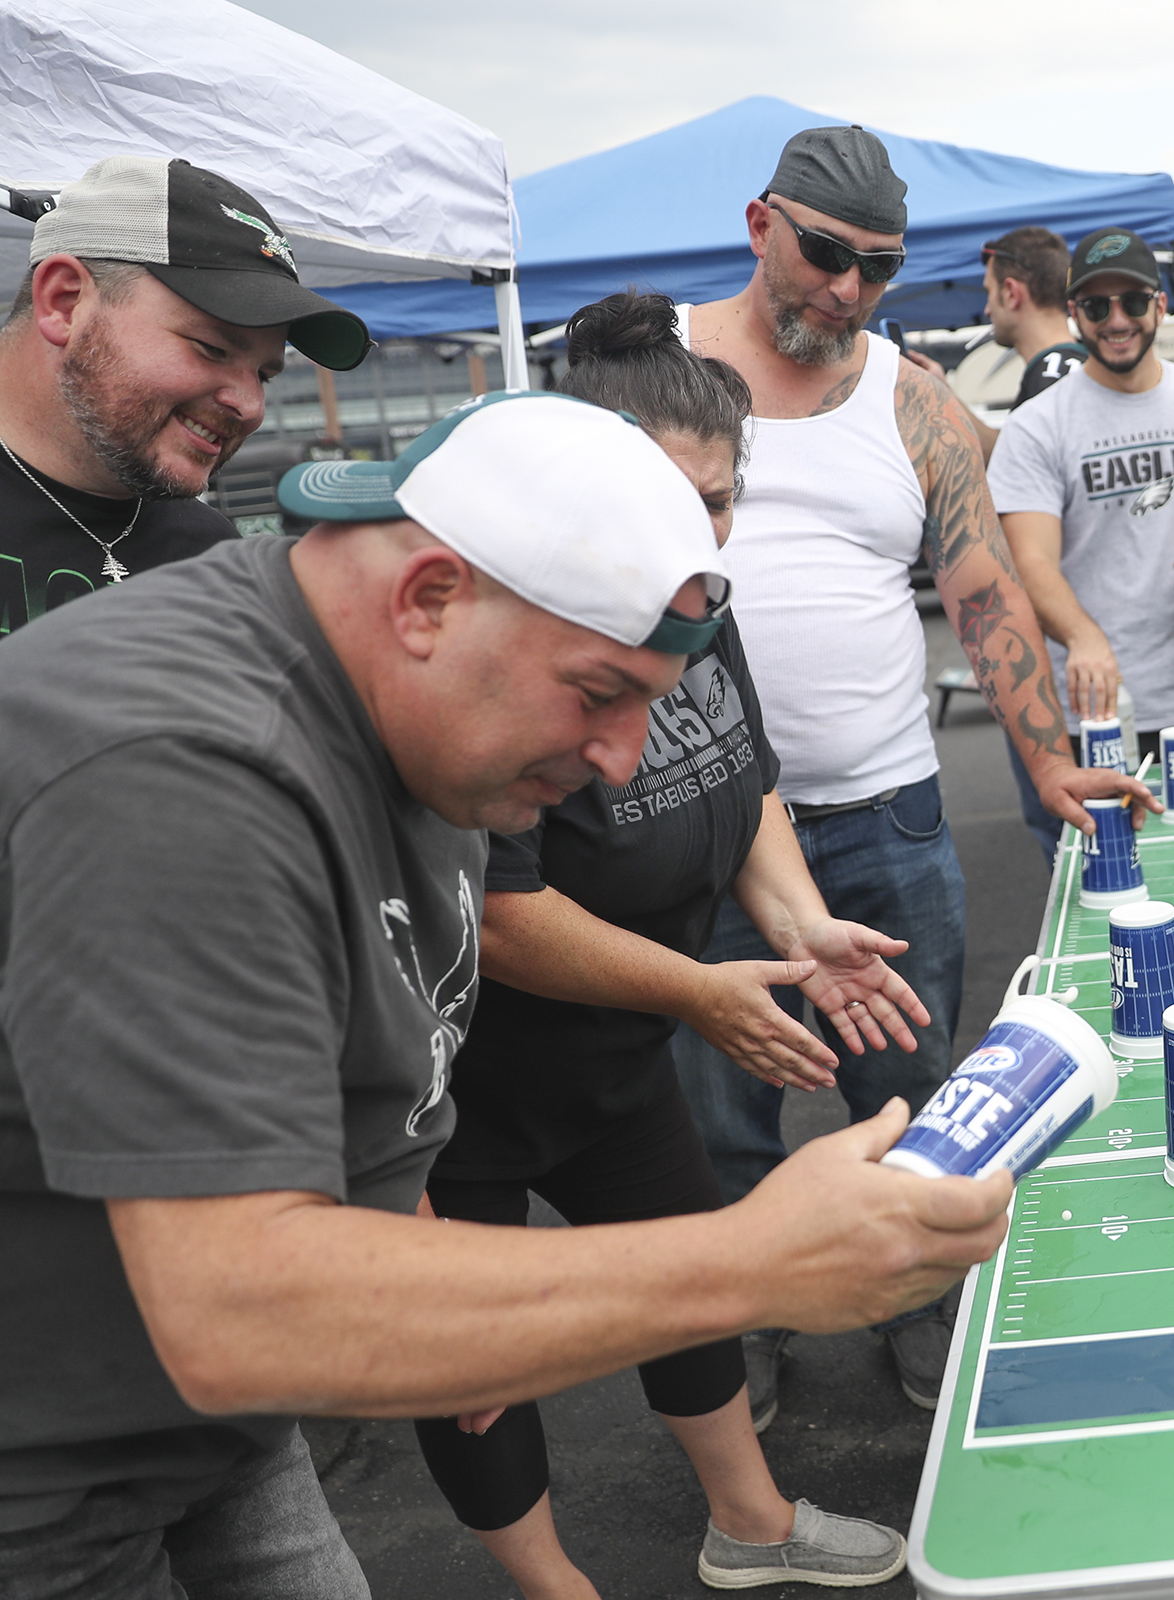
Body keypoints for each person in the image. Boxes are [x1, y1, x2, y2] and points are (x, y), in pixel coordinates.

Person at [0, 387, 1012, 1598]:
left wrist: (416, 1256)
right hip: (50, 1463)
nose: (624, 759)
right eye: (597, 693)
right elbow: (238, 1309)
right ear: (430, 598)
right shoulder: (179, 770)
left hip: (201, 1423)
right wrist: (753, 1261)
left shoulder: (374, 676)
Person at [409, 296, 928, 1595]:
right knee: (475, 1363)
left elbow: (747, 783)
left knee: (701, 1277)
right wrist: (700, 991)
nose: (708, 529)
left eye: (724, 494)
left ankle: (749, 1526)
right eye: (679, 496)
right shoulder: (511, 633)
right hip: (455, 1081)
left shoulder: (693, 592)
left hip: (619, 1046)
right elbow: (506, 911)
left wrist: (803, 929)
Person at [675, 125, 1146, 1413]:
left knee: (914, 1091)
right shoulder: (652, 366)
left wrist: (1048, 764)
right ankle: (745, 1324)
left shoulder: (914, 395)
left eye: (876, 269)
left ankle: (918, 1308)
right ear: (762, 221)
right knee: (721, 1106)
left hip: (886, 807)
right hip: (700, 823)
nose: (846, 290)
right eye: (826, 254)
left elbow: (982, 586)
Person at [987, 225, 1174, 866]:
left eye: (1132, 302)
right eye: (1096, 306)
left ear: (1161, 305)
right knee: (1110, 895)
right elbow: (1028, 561)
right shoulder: (1040, 424)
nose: (1116, 320)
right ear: (1074, 313)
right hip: (1099, 715)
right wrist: (1086, 637)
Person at [0, 155, 368, 631]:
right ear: (65, 303)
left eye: (265, 374)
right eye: (211, 348)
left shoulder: (212, 559)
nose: (251, 406)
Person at [937, 226, 1086, 462]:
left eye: (989, 292)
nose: (987, 310)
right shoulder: (1089, 365)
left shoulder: (1046, 380)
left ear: (1011, 294)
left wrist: (941, 396)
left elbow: (1010, 463)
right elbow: (1011, 449)